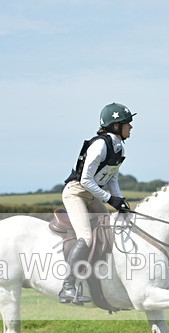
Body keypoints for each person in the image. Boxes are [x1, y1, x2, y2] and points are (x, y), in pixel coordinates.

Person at [59, 102, 135, 304]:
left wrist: (119, 202)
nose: (131, 127)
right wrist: (110, 198)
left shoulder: (120, 148)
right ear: (116, 126)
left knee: (110, 230)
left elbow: (112, 178)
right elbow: (85, 180)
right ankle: (67, 286)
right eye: (128, 123)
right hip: (76, 192)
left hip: (92, 195)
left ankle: (101, 277)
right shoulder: (100, 145)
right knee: (86, 236)